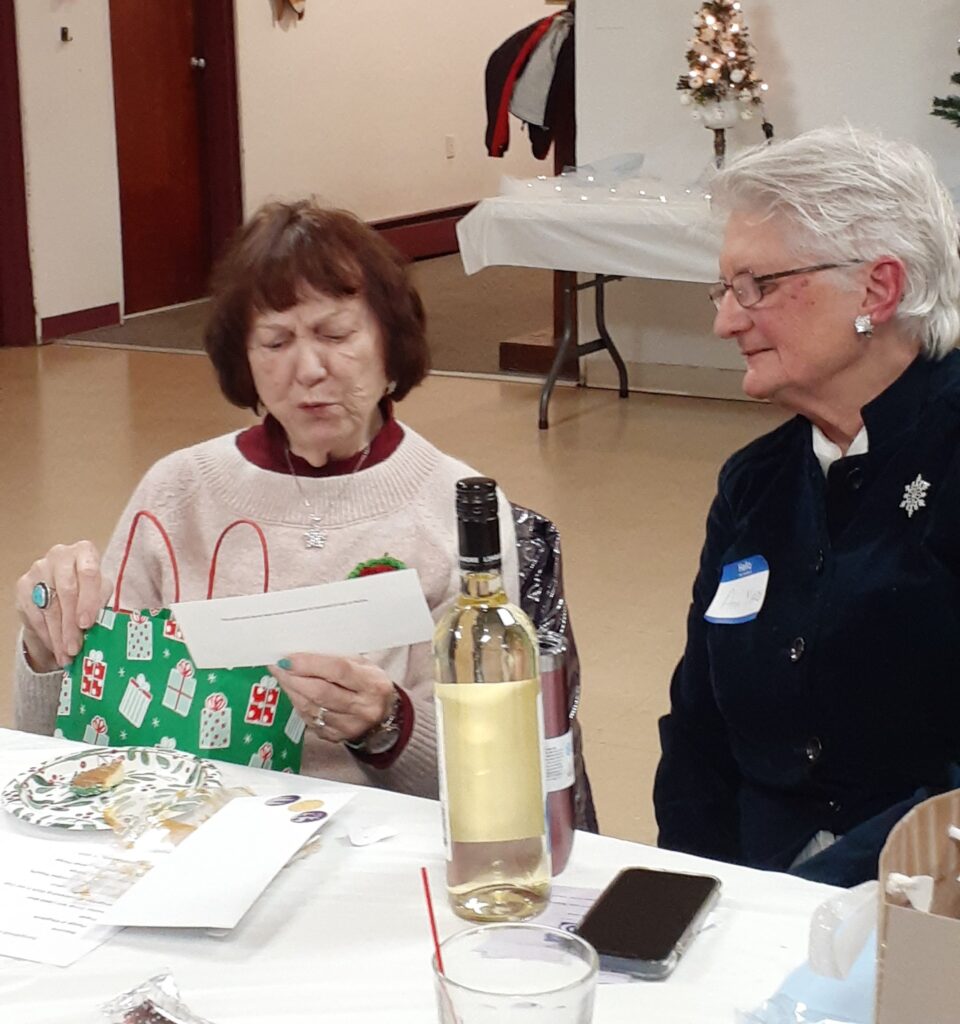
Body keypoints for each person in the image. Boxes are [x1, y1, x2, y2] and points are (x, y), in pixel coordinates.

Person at [13, 201, 523, 798]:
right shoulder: (176, 493)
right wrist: (47, 649)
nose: (309, 368)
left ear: (391, 344)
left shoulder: (452, 511)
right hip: (184, 827)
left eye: (335, 334)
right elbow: (65, 747)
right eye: (275, 342)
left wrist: (389, 724)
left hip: (377, 848)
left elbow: (495, 772)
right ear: (244, 363)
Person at [654, 126, 960, 886]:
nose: (726, 321)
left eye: (757, 286)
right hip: (757, 898)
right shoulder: (755, 483)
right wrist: (687, 899)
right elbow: (699, 731)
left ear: (878, 290)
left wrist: (801, 905)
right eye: (724, 290)